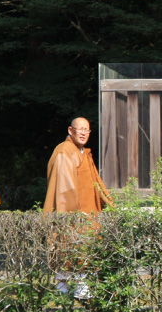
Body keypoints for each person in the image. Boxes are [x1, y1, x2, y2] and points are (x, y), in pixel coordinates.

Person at [43, 117, 112, 298]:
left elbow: (96, 183)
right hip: (73, 211)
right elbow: (64, 187)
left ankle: (78, 286)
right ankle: (64, 287)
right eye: (79, 129)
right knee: (68, 245)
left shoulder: (83, 153)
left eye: (87, 130)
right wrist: (72, 211)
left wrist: (109, 203)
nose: (83, 133)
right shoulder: (64, 151)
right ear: (70, 130)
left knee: (84, 247)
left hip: (88, 211)